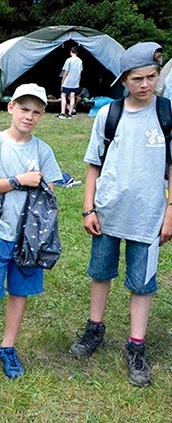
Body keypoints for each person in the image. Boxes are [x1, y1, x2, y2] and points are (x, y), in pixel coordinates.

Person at [70, 42, 169, 388]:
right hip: (108, 212)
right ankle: (94, 329)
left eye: (151, 77)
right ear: (124, 80)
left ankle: (136, 346)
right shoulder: (108, 115)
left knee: (142, 284)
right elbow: (93, 167)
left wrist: (170, 212)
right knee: (101, 273)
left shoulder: (166, 115)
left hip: (149, 217)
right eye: (137, 78)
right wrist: (88, 208)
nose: (145, 85)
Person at [0, 83, 62, 383]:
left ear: (42, 115)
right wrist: (19, 180)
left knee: (19, 295)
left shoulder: (43, 150)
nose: (29, 116)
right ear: (11, 108)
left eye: (36, 112)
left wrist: (42, 188)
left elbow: (50, 192)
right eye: (24, 109)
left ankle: (8, 347)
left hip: (29, 240)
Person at [58, 46, 83, 119]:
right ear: (77, 52)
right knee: (72, 97)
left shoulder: (68, 60)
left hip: (68, 81)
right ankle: (69, 114)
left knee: (63, 95)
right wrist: (78, 81)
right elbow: (80, 73)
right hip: (75, 82)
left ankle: (62, 113)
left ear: (71, 52)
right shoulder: (80, 61)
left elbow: (66, 72)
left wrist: (63, 82)